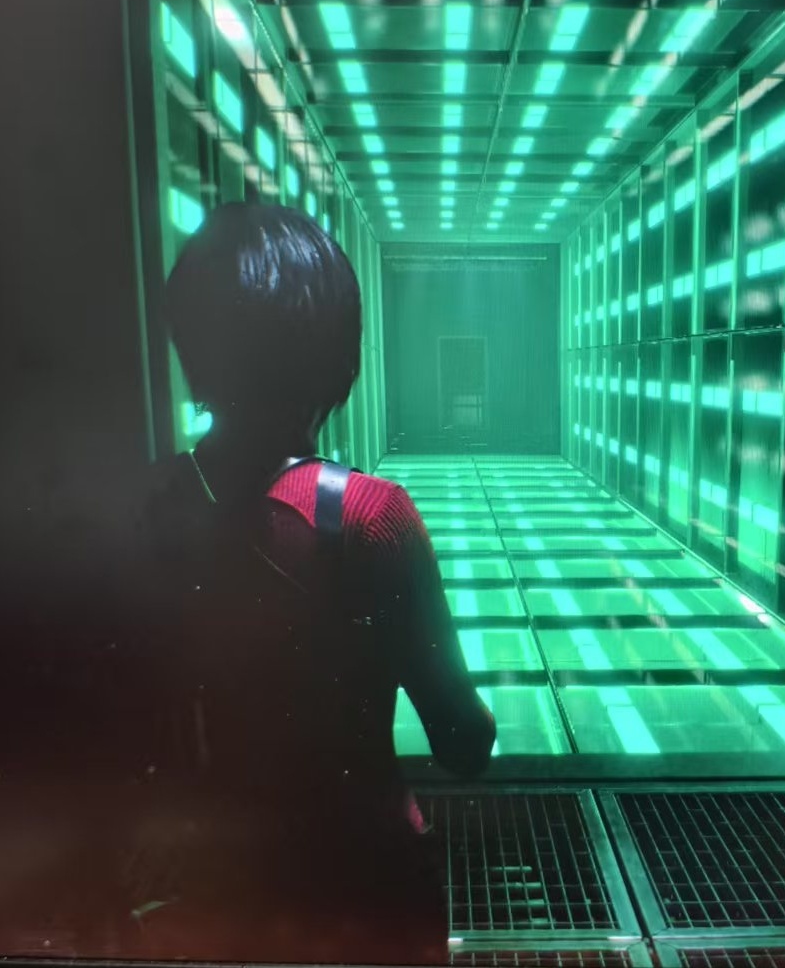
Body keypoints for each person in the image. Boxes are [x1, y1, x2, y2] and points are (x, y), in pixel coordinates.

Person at [2, 203, 495, 962]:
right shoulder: (371, 515)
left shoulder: (141, 508)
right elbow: (463, 740)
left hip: (203, 898)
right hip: (364, 894)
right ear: (335, 351)